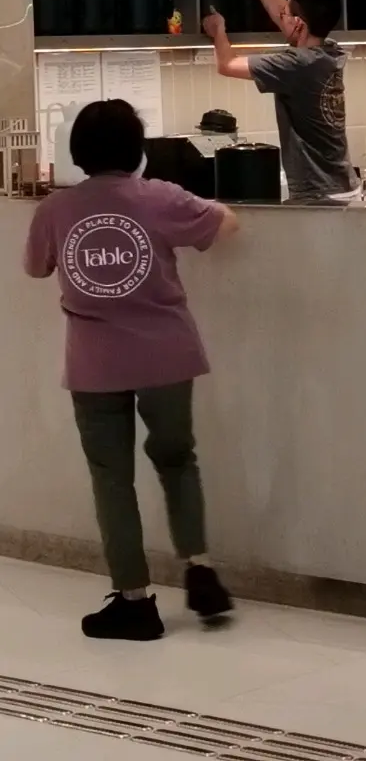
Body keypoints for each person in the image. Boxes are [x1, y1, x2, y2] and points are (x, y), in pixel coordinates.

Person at [22, 100, 238, 641]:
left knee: (111, 478)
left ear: (77, 153)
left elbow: (35, 268)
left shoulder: (55, 209)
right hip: (168, 355)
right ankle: (200, 570)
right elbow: (226, 224)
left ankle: (135, 602)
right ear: (138, 150)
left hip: (95, 363)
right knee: (177, 460)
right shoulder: (159, 196)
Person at [203, 0, 356, 202]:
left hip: (318, 196)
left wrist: (218, 30)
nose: (279, 15)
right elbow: (278, 10)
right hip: (343, 187)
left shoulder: (295, 64)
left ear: (299, 24)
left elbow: (226, 65)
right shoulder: (329, 52)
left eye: (286, 13)